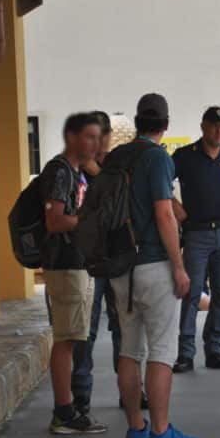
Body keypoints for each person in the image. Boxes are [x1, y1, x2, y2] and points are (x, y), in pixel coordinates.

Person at [110, 93, 201, 438]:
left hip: (121, 268)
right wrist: (178, 266)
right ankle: (161, 431)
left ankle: (136, 427)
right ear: (165, 124)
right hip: (152, 264)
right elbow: (164, 214)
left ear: (137, 122)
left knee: (130, 350)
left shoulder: (116, 157)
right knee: (162, 350)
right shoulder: (157, 158)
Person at [71, 111, 149, 415]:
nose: (98, 140)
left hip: (117, 258)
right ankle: (81, 398)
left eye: (102, 134)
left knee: (124, 326)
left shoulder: (119, 164)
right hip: (88, 260)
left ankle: (130, 392)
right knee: (86, 331)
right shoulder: (76, 167)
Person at [41, 113, 107, 435]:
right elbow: (54, 221)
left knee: (71, 337)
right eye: (89, 137)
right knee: (66, 339)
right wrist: (87, 222)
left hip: (79, 264)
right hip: (65, 265)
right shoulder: (61, 171)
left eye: (98, 137)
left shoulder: (78, 172)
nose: (95, 144)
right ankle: (64, 411)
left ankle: (66, 409)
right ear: (71, 137)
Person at [171, 107, 220, 372]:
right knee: (191, 294)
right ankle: (185, 353)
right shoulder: (185, 156)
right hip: (196, 233)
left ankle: (214, 350)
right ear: (203, 126)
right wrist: (173, 205)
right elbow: (159, 183)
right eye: (215, 125)